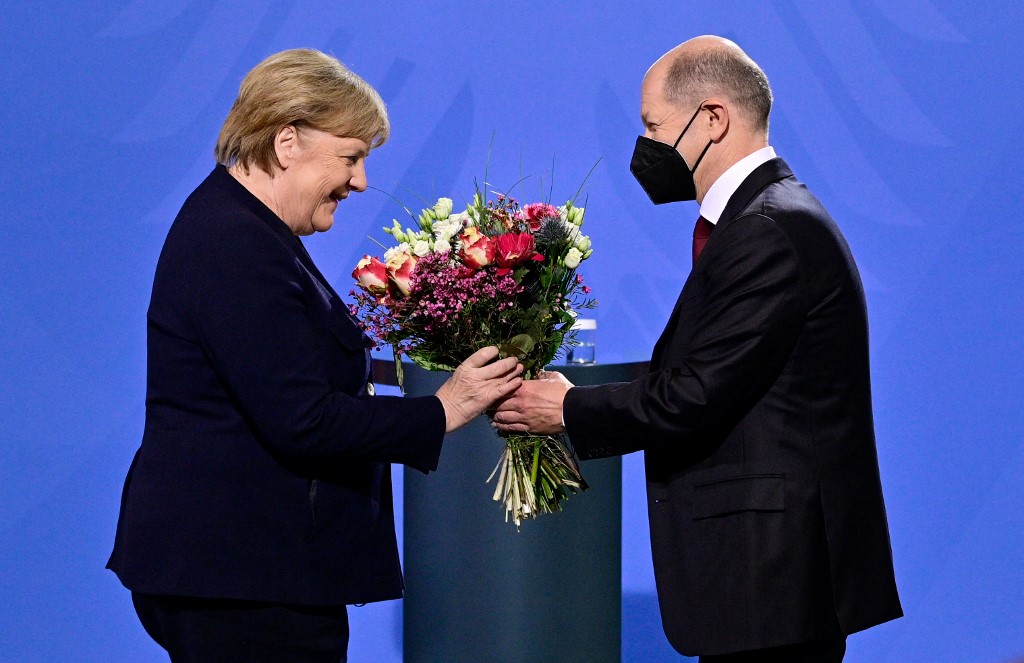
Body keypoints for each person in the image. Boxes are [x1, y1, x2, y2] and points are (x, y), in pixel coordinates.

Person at [495, 36, 902, 662]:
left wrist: (568, 409)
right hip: (766, 582)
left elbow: (698, 393)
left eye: (654, 127)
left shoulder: (767, 229)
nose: (647, 149)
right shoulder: (762, 219)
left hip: (770, 577)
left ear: (713, 118)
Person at [107, 48, 522, 662]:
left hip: (248, 574)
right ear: (286, 142)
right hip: (242, 581)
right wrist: (444, 409)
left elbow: (273, 367)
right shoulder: (235, 244)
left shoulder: (248, 229)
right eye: (351, 157)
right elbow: (302, 419)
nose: (359, 181)